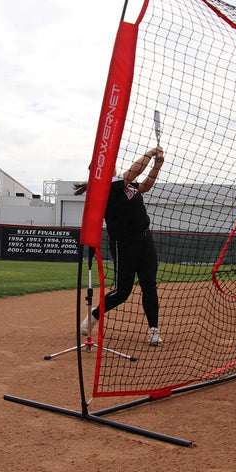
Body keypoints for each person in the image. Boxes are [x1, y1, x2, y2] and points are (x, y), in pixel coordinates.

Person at [79, 147, 165, 346]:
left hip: (145, 240)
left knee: (149, 286)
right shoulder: (106, 187)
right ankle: (94, 315)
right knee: (122, 292)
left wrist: (156, 167)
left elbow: (144, 186)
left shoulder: (123, 182)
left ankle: (153, 329)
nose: (113, 167)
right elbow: (134, 172)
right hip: (124, 244)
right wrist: (150, 153)